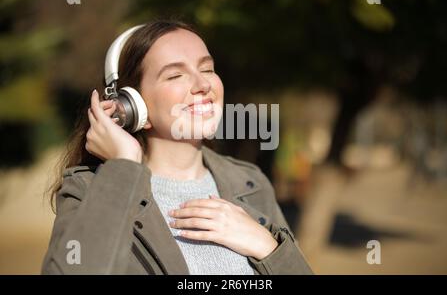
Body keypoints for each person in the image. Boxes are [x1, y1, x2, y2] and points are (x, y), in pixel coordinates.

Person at [41, 20, 313, 275]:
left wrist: (268, 247)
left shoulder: (251, 182)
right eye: (175, 75)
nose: (203, 85)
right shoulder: (89, 189)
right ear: (131, 103)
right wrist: (123, 166)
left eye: (206, 69)